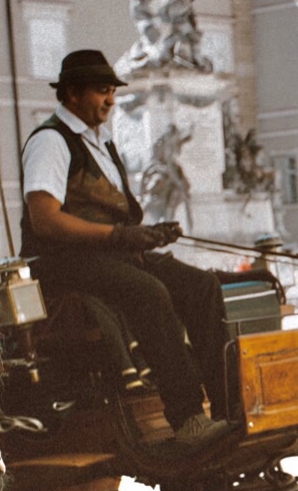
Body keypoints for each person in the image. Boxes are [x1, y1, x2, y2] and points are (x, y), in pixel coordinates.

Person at [20, 49, 234, 451]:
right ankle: (188, 419)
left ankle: (227, 409)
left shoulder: (100, 141)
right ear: (72, 93)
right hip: (60, 261)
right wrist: (120, 238)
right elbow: (44, 220)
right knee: (149, 292)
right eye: (102, 91)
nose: (111, 100)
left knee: (202, 285)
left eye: (112, 91)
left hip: (107, 253)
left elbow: (110, 215)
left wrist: (144, 235)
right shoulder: (51, 141)